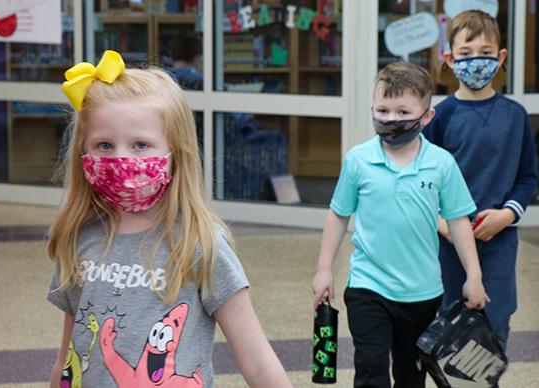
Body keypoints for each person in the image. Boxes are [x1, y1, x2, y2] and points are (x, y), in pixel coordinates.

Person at [47, 50, 292, 388]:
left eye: (140, 145)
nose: (121, 159)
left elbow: (257, 362)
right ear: (83, 154)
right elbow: (68, 357)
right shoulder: (81, 237)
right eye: (104, 145)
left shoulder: (199, 243)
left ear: (176, 154)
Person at [312, 61, 489, 388]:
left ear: (427, 116)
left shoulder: (441, 164)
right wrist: (324, 269)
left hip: (423, 294)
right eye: (382, 109)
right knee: (371, 369)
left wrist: (474, 276)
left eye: (402, 111)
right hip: (369, 286)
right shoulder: (358, 160)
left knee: (411, 375)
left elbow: (458, 222)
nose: (391, 119)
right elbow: (338, 214)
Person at [423, 10, 538, 351]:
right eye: (465, 53)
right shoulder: (439, 117)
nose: (476, 61)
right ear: (449, 59)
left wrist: (507, 215)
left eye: (486, 53)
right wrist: (442, 224)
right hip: (447, 243)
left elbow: (527, 176)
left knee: (495, 320)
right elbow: (421, 178)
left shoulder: (515, 116)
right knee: (449, 322)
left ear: (501, 57)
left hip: (499, 242)